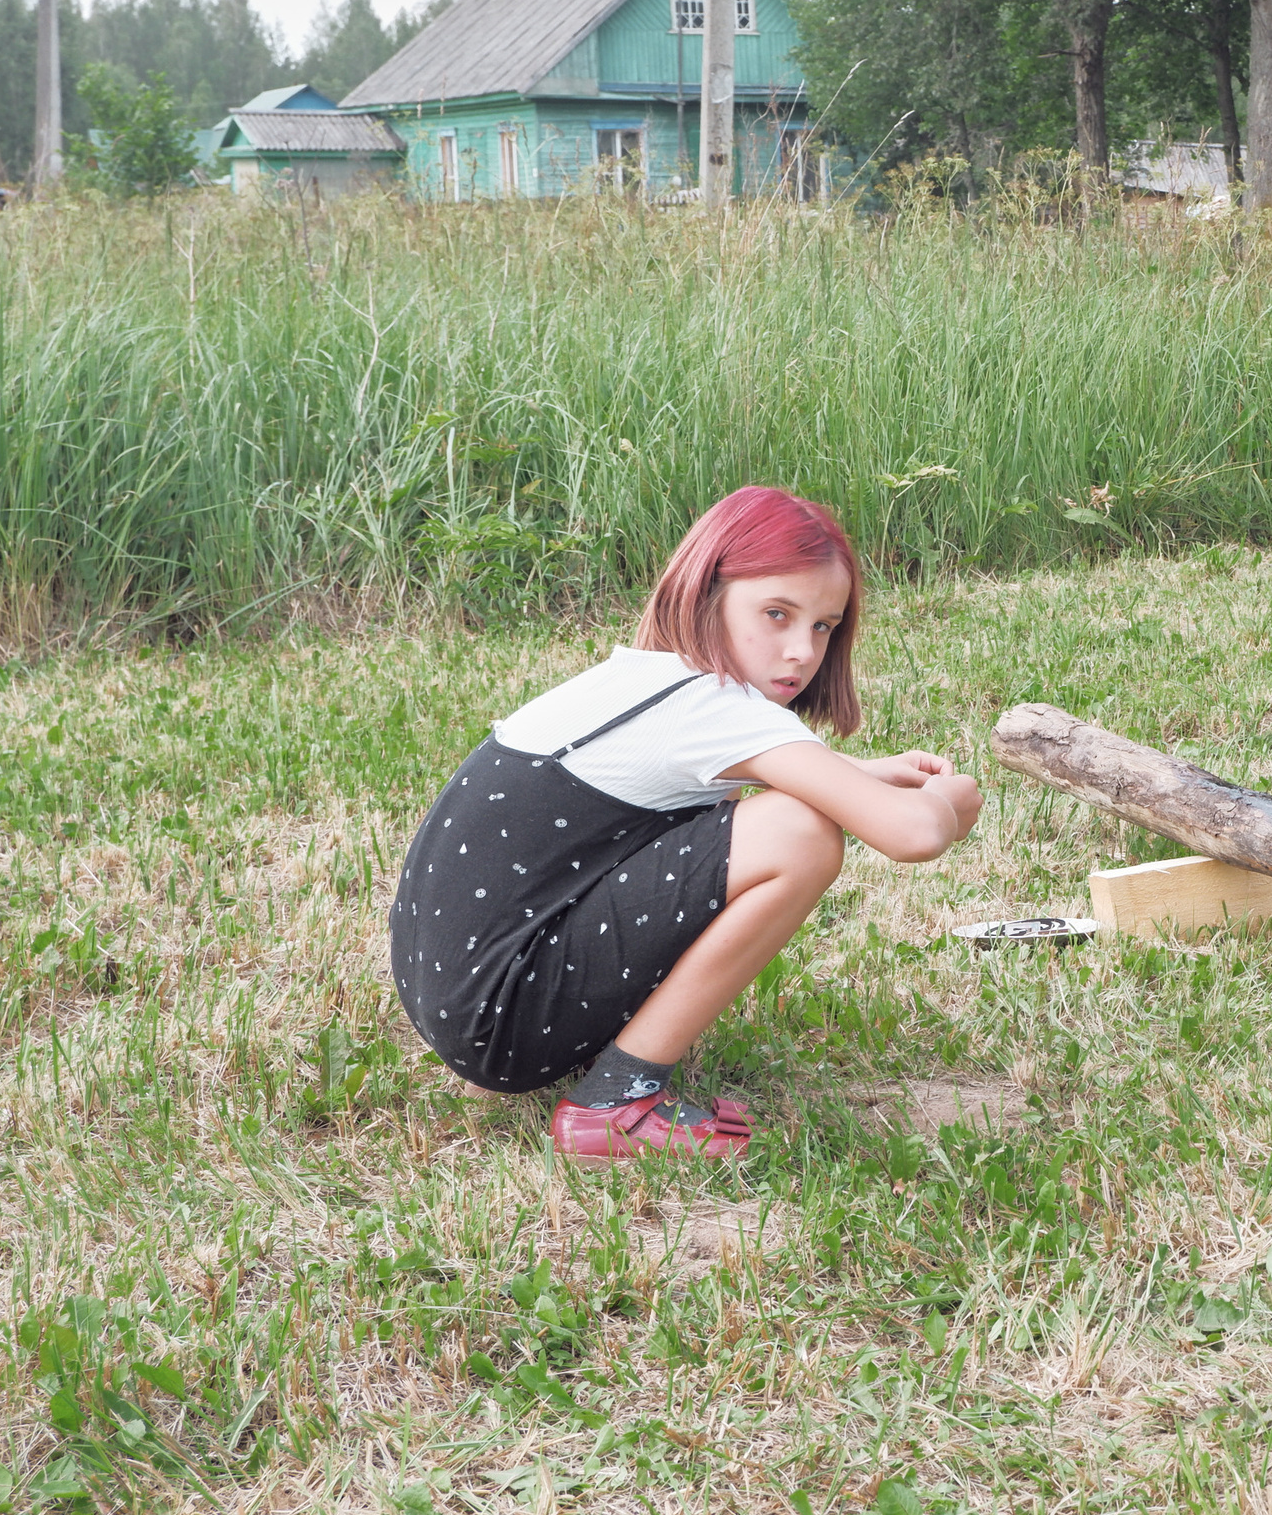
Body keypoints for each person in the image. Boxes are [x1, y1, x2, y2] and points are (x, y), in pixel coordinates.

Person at [388, 486, 982, 1162]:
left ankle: (601, 1073)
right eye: (777, 613)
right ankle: (617, 1099)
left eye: (823, 626)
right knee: (800, 834)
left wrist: (859, 772)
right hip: (503, 1018)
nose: (801, 651)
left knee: (755, 815)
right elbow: (915, 835)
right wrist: (948, 801)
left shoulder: (648, 681)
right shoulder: (718, 706)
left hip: (462, 1003)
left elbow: (691, 779)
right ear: (707, 594)